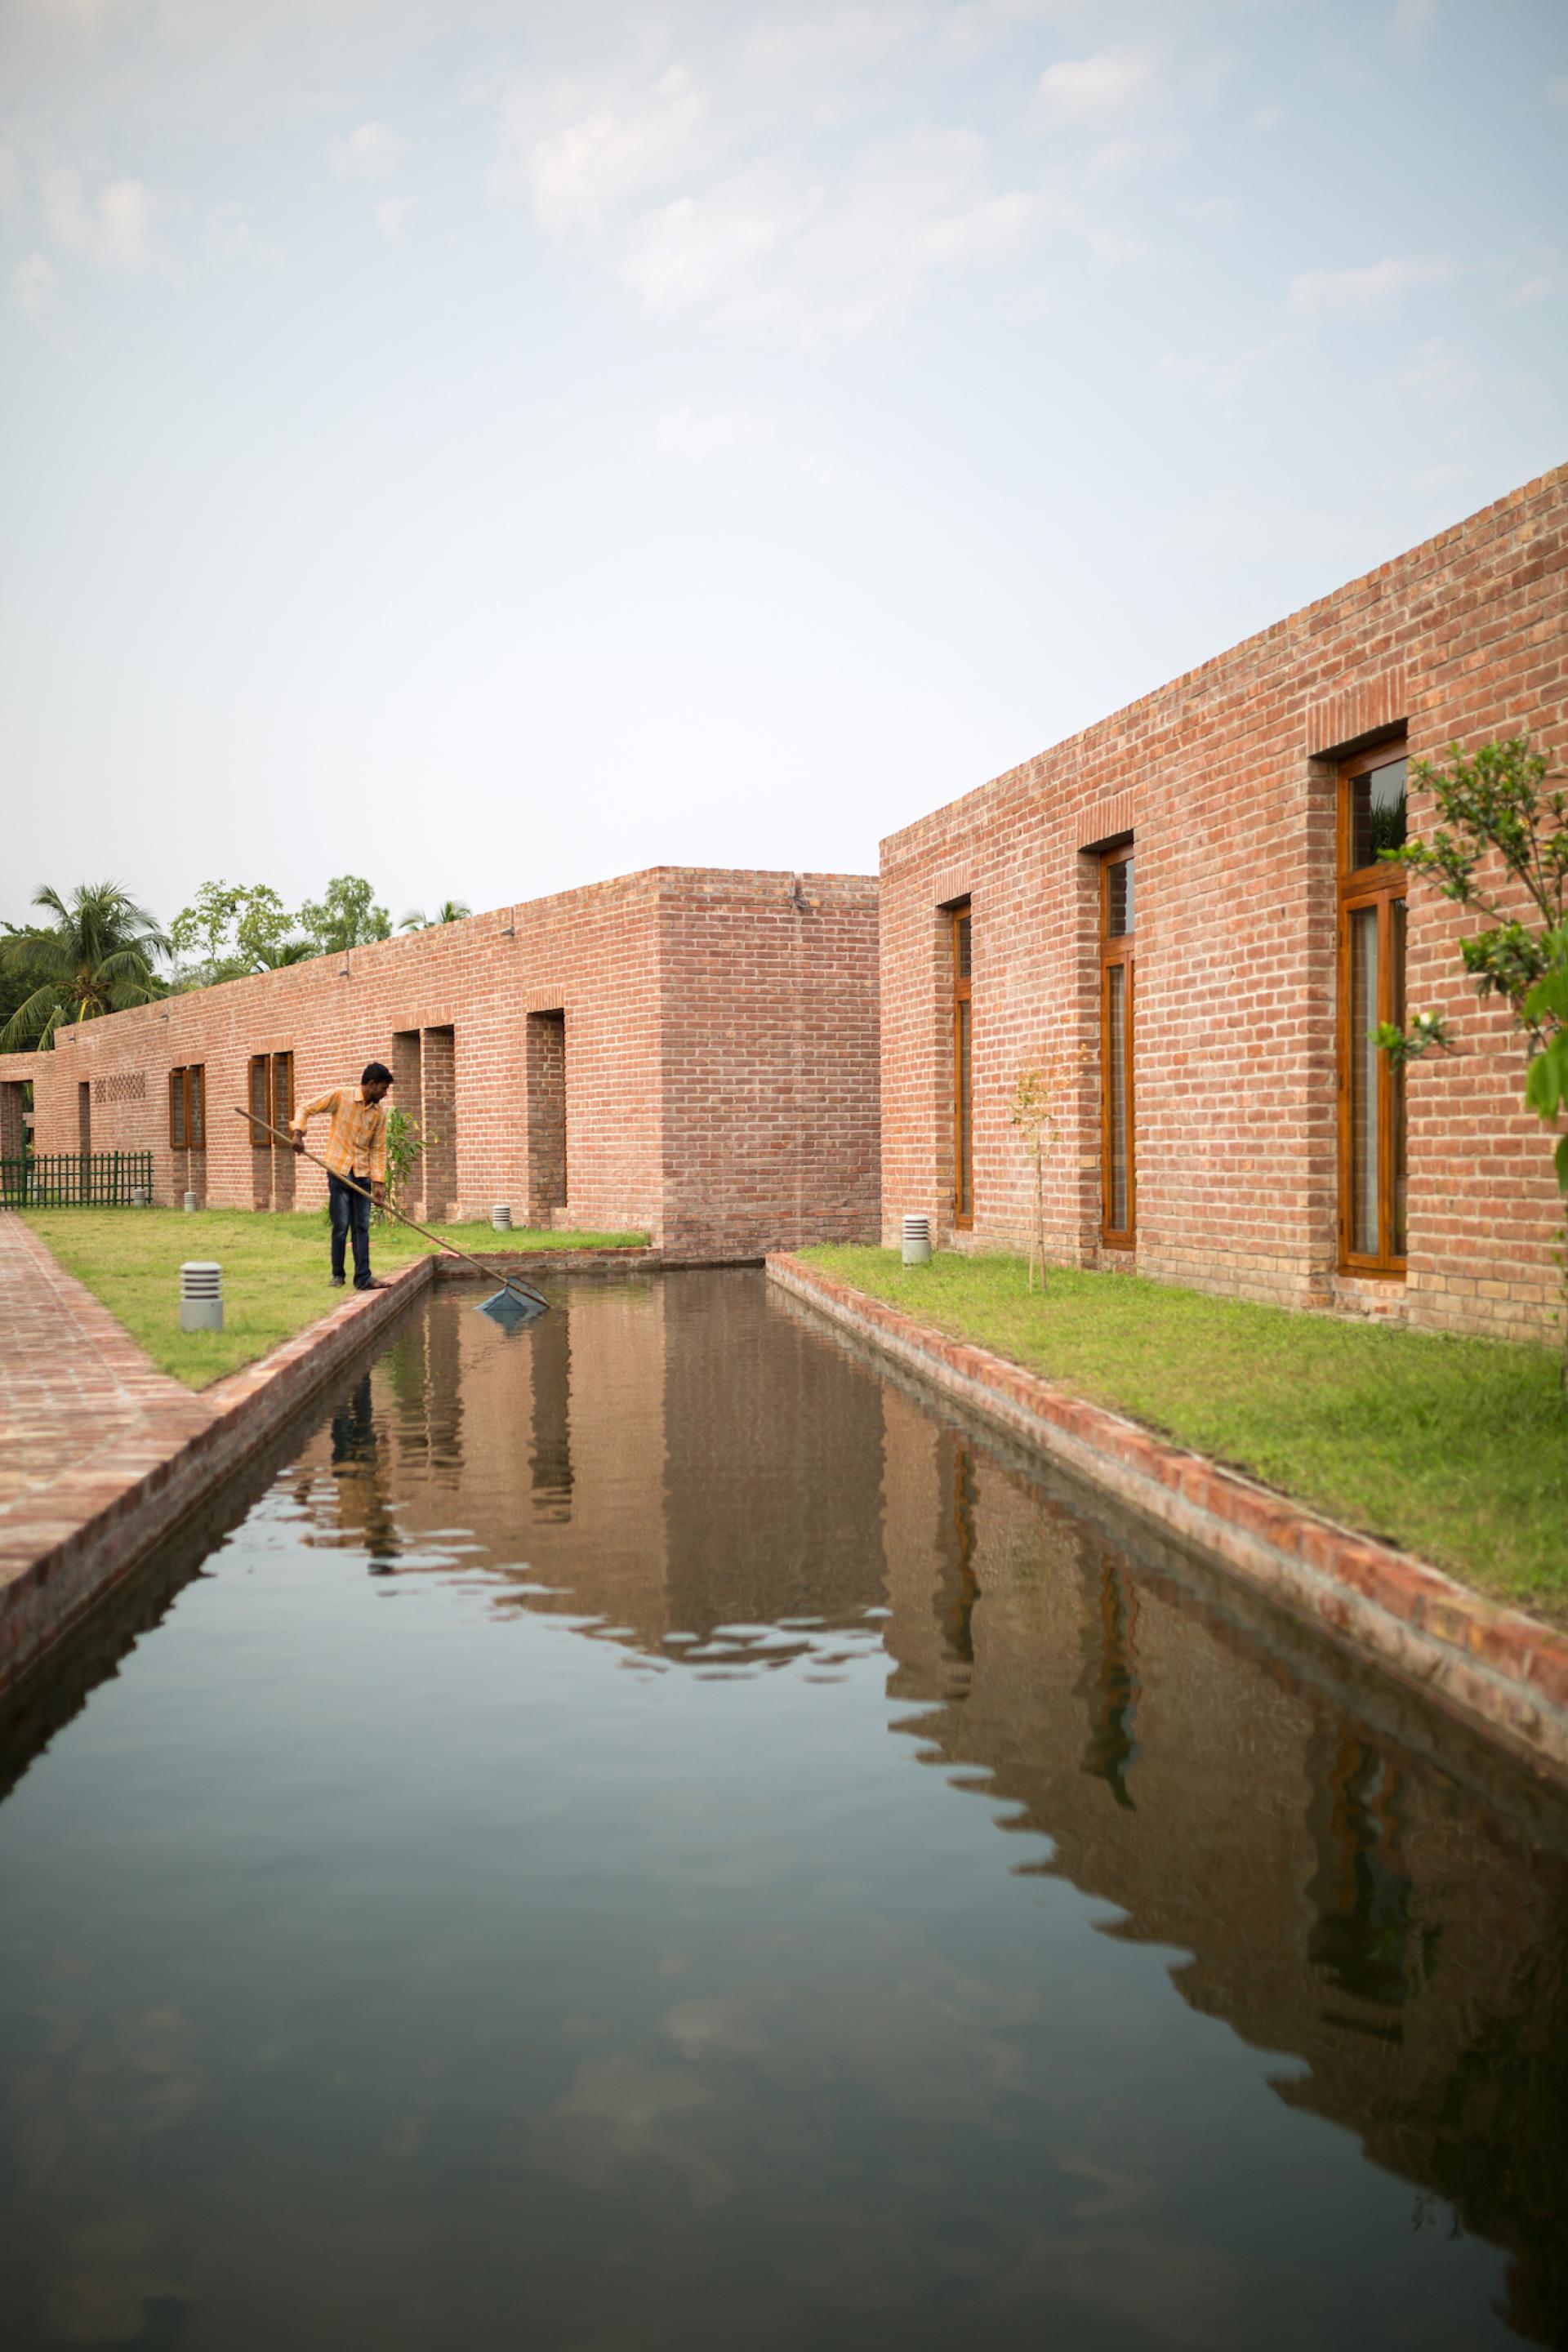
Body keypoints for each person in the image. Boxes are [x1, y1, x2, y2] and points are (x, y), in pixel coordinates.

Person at [291, 1062, 394, 1291]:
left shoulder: (379, 1114)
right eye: (383, 1089)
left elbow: (378, 1149)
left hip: (362, 1175)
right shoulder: (341, 1096)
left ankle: (363, 1278)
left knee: (361, 1227)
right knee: (341, 1224)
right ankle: (338, 1275)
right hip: (339, 1171)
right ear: (371, 1084)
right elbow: (305, 1108)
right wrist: (298, 1134)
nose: (385, 1093)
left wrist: (378, 1183)